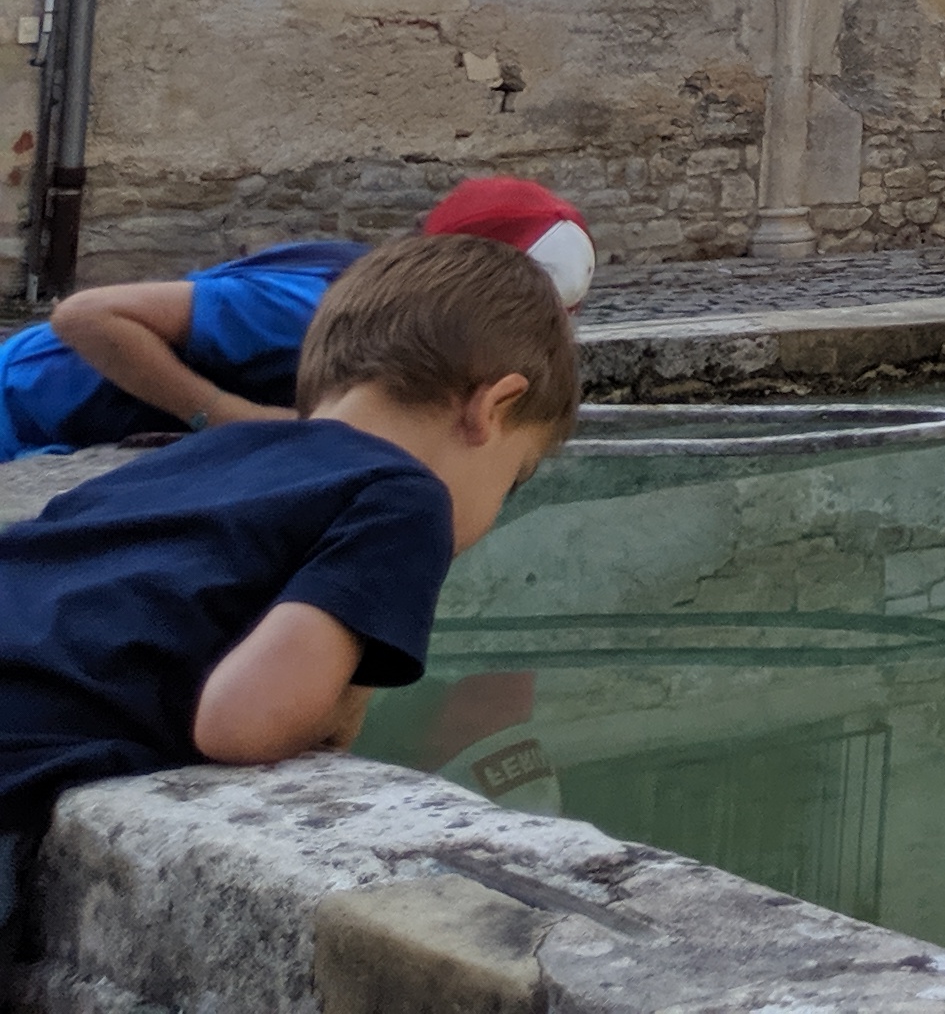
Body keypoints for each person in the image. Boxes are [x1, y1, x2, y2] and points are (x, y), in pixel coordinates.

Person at [0, 232, 578, 919]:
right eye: (515, 476)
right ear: (491, 408)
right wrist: (346, 693)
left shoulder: (211, 450)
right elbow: (240, 724)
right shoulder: (405, 497)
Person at [0, 178, 595, 457]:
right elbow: (86, 316)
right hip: (24, 407)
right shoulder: (313, 308)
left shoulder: (402, 315)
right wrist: (225, 414)